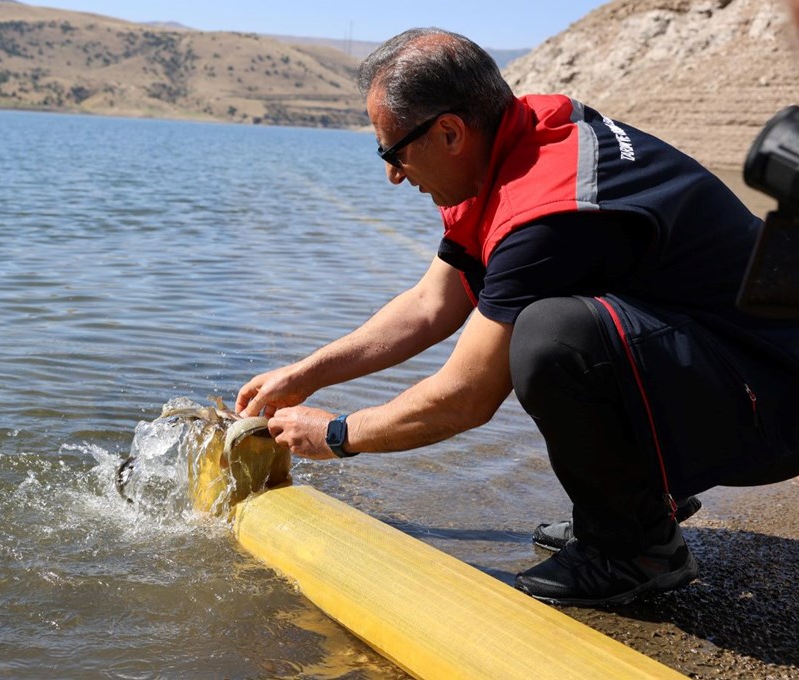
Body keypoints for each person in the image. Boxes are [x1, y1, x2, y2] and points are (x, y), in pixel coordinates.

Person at [236, 27, 799, 607]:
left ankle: (634, 549)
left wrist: (332, 435)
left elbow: (464, 398)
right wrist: (303, 375)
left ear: (450, 131)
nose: (393, 175)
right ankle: (627, 511)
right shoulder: (517, 141)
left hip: (776, 409)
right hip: (734, 367)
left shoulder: (545, 210)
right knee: (556, 328)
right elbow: (430, 305)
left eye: (393, 152)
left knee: (549, 338)